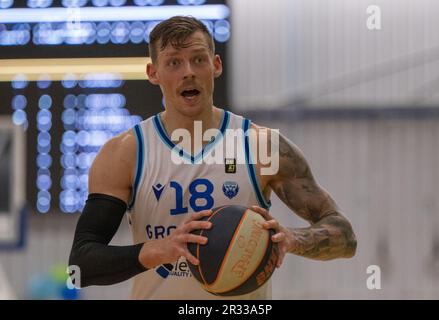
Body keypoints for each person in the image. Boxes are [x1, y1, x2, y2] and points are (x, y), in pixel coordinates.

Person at [68, 16, 357, 300]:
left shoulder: (261, 146)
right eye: (173, 63)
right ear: (153, 73)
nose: (188, 72)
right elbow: (80, 266)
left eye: (198, 60)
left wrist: (292, 239)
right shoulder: (126, 152)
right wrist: (162, 249)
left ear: (216, 65)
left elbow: (345, 236)